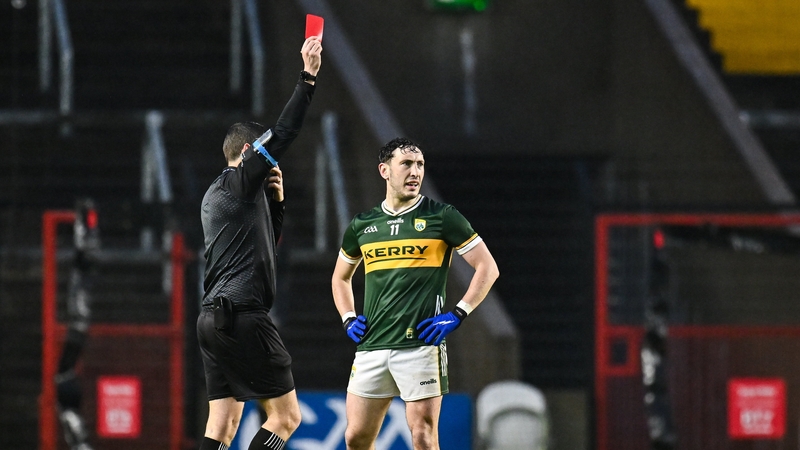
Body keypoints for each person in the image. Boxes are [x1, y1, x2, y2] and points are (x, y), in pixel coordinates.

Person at [331, 137, 500, 450]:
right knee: (356, 438)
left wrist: (458, 313)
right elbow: (340, 278)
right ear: (384, 170)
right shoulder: (363, 225)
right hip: (373, 345)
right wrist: (347, 317)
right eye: (406, 164)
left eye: (420, 164)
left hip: (421, 345)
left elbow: (488, 268)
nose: (415, 171)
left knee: (422, 436)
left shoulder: (443, 217)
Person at [197, 36, 322, 450]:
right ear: (250, 152)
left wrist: (278, 202)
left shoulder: (220, 193)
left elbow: (265, 243)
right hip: (244, 316)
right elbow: (284, 132)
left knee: (223, 424)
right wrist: (307, 77)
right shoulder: (240, 180)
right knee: (286, 418)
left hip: (213, 320)